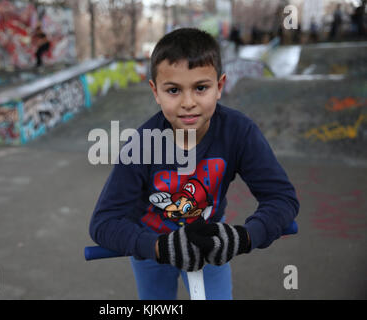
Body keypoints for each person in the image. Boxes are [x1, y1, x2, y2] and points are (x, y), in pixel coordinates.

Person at [89, 28, 299, 300]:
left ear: (220, 87)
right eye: (173, 90)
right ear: (156, 91)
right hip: (153, 244)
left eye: (201, 88)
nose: (188, 103)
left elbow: (282, 199)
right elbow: (103, 222)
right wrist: (156, 247)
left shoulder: (239, 133)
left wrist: (244, 237)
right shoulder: (140, 145)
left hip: (210, 241)